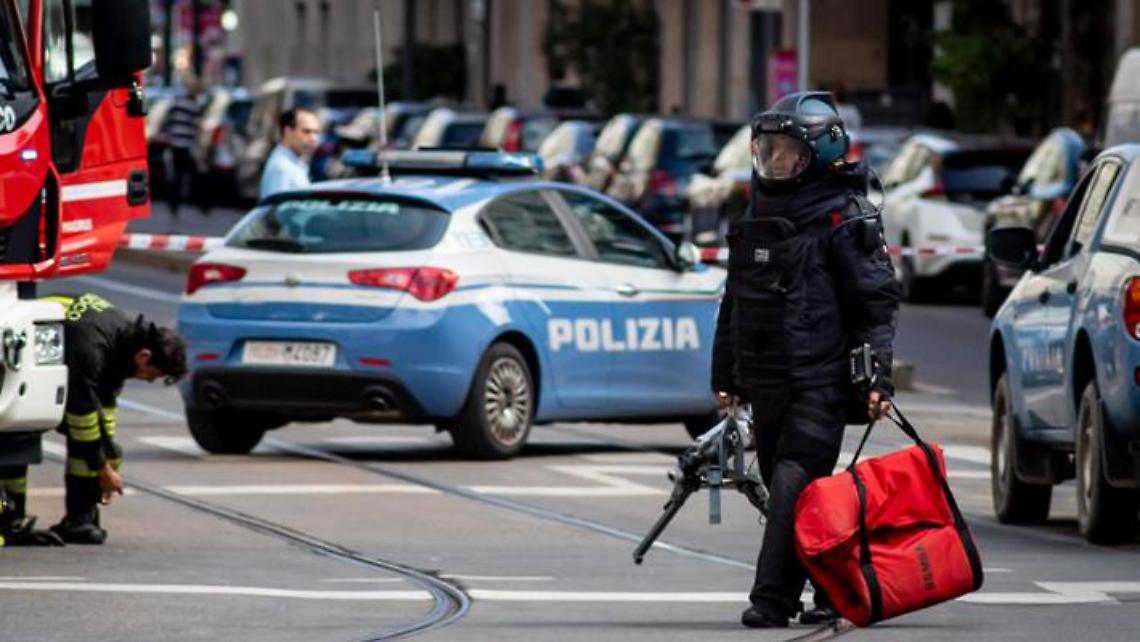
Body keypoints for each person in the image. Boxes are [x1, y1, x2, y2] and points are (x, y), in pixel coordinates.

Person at [711, 92, 901, 628]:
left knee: (794, 484)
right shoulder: (755, 213)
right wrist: (724, 375)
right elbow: (734, 301)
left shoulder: (845, 216)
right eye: (766, 149)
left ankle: (771, 599)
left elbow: (876, 304)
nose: (773, 161)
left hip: (820, 382)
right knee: (800, 495)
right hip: (765, 379)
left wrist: (876, 378)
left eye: (785, 151)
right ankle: (838, 588)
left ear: (819, 152)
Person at [0, 294, 188, 545]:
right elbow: (82, 415)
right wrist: (103, 469)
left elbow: (105, 407)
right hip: (27, 355)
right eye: (153, 374)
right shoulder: (93, 346)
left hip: (52, 358)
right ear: (144, 356)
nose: (150, 380)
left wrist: (111, 458)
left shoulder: (123, 342)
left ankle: (80, 520)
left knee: (92, 446)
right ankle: (11, 520)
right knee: (21, 430)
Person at [160, 76, 207, 218]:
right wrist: (200, 147)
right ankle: (203, 206)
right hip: (187, 146)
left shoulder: (176, 103)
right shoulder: (195, 105)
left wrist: (169, 138)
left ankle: (175, 206)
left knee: (178, 177)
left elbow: (167, 123)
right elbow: (196, 128)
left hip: (175, 145)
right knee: (196, 176)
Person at [260, 107, 321, 200]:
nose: (313, 138)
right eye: (307, 131)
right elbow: (278, 211)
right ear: (288, 131)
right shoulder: (282, 168)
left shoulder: (294, 163)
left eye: (316, 132)